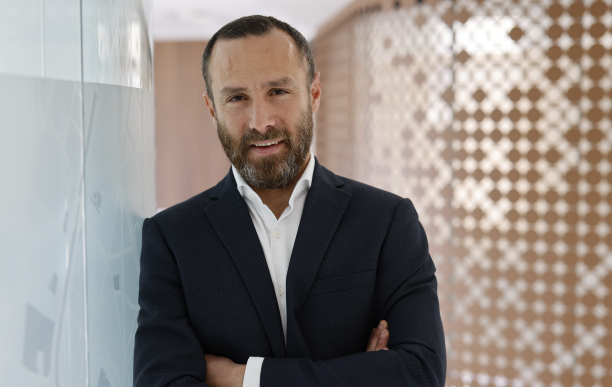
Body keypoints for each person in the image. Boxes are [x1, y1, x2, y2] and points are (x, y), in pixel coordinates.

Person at [134, 15, 445, 387]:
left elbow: (420, 374)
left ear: (314, 94)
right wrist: (359, 375)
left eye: (278, 92)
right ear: (212, 109)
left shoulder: (387, 221)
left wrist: (244, 377)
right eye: (236, 98)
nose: (261, 122)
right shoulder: (172, 239)